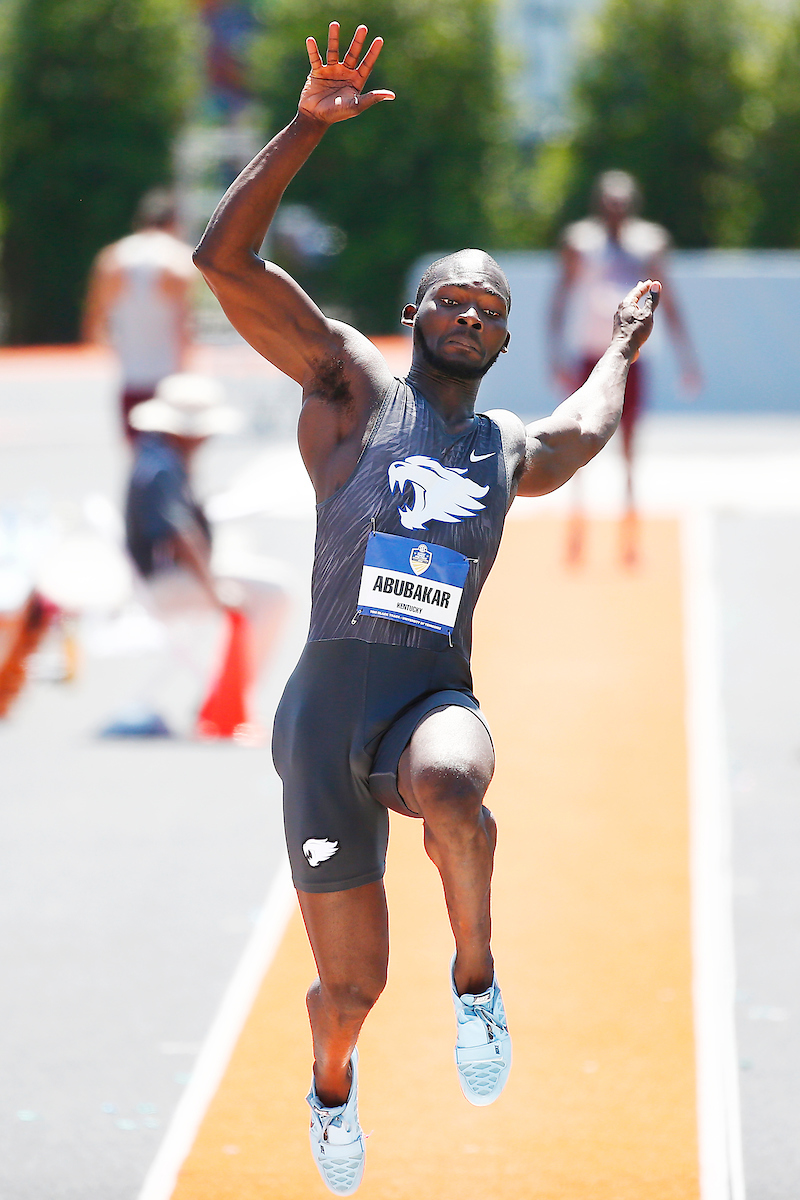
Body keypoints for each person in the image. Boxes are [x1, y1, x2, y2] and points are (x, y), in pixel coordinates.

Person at [193, 22, 661, 1196]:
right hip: (320, 724)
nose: (469, 314)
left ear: (503, 340)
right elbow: (224, 264)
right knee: (347, 989)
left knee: (457, 781)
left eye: (489, 309)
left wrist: (615, 348)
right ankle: (331, 1088)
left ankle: (478, 986)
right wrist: (305, 126)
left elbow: (587, 429)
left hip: (423, 703)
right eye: (451, 299)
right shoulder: (350, 386)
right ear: (414, 316)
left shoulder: (506, 446)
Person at [103, 373, 284, 738]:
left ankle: (226, 694)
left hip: (164, 577)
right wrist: (214, 588)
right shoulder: (160, 468)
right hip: (166, 583)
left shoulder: (158, 456)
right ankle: (229, 696)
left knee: (271, 588)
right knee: (276, 594)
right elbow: (179, 535)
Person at [549, 170, 701, 563]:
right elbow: (560, 300)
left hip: (632, 358)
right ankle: (578, 526)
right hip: (589, 353)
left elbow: (670, 299)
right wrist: (555, 355)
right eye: (608, 202)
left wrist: (688, 358)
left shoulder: (648, 243)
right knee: (577, 439)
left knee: (630, 444)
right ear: (599, 204)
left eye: (622, 203)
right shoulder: (580, 242)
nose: (615, 209)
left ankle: (629, 531)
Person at [83, 189, 196, 442]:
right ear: (174, 222)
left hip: (131, 376)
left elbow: (95, 323)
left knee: (137, 455)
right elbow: (184, 325)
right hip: (167, 377)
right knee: (171, 458)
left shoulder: (112, 260)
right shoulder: (178, 260)